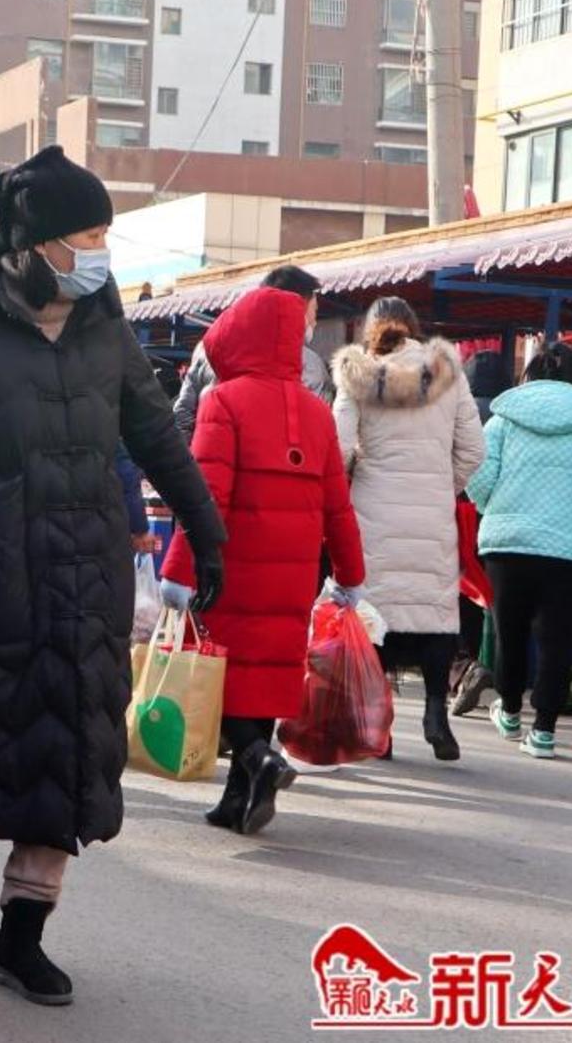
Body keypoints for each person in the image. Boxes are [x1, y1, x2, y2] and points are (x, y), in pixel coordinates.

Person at [0, 146, 225, 1006]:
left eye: (105, 234)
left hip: (82, 582)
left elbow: (156, 433)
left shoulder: (105, 327)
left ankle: (21, 937)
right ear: (34, 245)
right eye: (87, 235)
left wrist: (206, 532)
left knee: (67, 758)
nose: (101, 251)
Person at [161, 285, 365, 834]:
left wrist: (179, 569)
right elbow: (338, 505)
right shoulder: (316, 412)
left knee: (223, 675)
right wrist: (350, 575)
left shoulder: (223, 401)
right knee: (268, 674)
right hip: (294, 571)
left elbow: (206, 496)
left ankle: (258, 758)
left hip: (233, 567)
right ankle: (238, 798)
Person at [331, 297, 484, 761]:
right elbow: (474, 450)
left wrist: (359, 475)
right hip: (432, 514)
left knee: (376, 617)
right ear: (415, 328)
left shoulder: (357, 375)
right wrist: (441, 485)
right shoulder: (448, 373)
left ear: (370, 331)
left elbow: (338, 449)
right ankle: (436, 713)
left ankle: (380, 727)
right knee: (434, 614)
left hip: (373, 513)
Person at [467, 342, 572, 760]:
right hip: (566, 549)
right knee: (556, 639)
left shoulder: (502, 421)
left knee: (510, 632)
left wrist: (494, 508)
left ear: (530, 373)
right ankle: (544, 732)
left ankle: (510, 711)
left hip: (506, 543)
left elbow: (478, 477)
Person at [173, 264, 332, 439]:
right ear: (295, 307)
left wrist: (193, 452)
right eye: (314, 311)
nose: (314, 321)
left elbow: (183, 413)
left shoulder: (207, 349)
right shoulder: (309, 363)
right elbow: (316, 433)